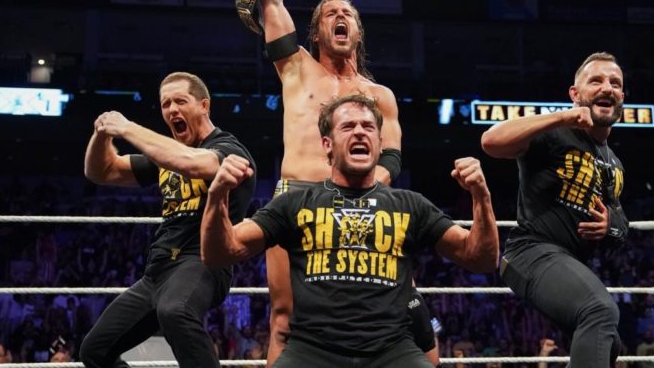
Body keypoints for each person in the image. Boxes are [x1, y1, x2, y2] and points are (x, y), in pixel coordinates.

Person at [251, 0, 442, 365]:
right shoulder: (296, 68)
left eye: (348, 14)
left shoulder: (380, 95)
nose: (340, 17)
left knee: (407, 312)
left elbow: (391, 157)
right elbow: (270, 0)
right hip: (296, 198)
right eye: (331, 13)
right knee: (284, 318)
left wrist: (364, 190)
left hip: (363, 201)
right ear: (317, 32)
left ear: (357, 32)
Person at [200, 94, 498, 368]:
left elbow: (481, 259)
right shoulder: (295, 203)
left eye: (368, 127)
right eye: (348, 126)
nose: (359, 132)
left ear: (379, 143)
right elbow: (219, 254)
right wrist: (217, 196)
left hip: (392, 350)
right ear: (327, 144)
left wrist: (482, 197)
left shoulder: (411, 204)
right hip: (312, 349)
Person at [79, 72, 256, 368]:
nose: (172, 109)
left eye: (180, 101)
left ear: (204, 105)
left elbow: (192, 163)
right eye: (165, 104)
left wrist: (127, 127)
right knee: (94, 351)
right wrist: (102, 134)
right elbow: (100, 171)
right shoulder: (164, 157)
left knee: (175, 311)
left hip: (203, 262)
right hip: (157, 271)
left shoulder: (228, 149)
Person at [481, 52, 629, 367]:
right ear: (575, 94)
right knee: (600, 311)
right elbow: (491, 141)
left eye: (615, 83)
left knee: (609, 343)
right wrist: (562, 117)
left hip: (568, 262)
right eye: (596, 81)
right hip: (530, 253)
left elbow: (621, 223)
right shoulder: (553, 132)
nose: (607, 87)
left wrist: (610, 225)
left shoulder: (614, 163)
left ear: (622, 98)